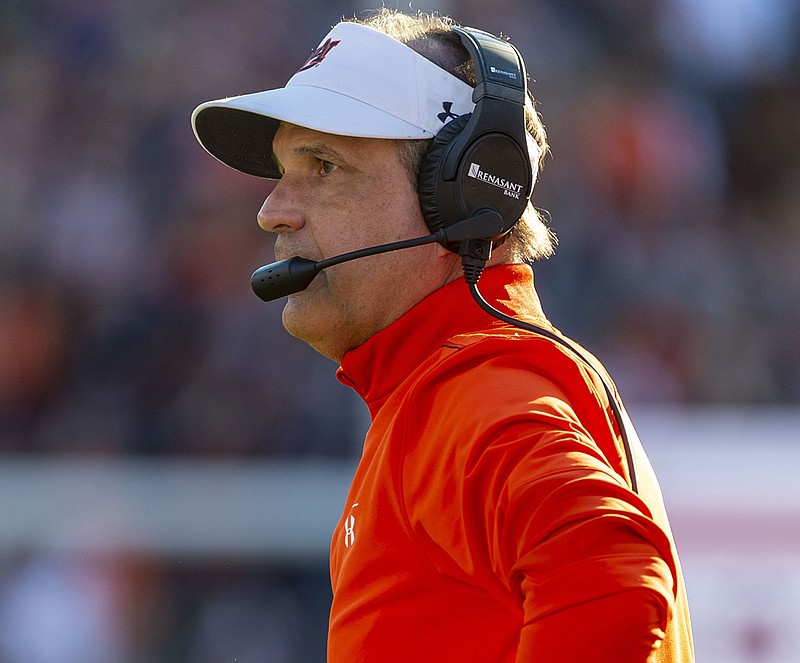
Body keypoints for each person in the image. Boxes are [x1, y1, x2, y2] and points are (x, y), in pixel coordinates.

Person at [191, 7, 694, 662]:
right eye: (285, 172)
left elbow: (614, 576)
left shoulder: (474, 391)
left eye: (324, 167)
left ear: (462, 195)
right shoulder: (447, 390)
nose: (273, 209)